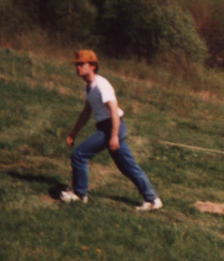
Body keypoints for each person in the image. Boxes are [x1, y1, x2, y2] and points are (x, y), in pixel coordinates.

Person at [59, 50, 162, 211]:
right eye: (77, 64)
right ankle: (153, 199)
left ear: (92, 66)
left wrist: (113, 136)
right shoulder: (90, 87)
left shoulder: (101, 85)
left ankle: (80, 195)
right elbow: (86, 112)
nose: (77, 67)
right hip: (108, 128)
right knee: (127, 166)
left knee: (79, 154)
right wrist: (73, 133)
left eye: (81, 64)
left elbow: (114, 110)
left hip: (113, 127)